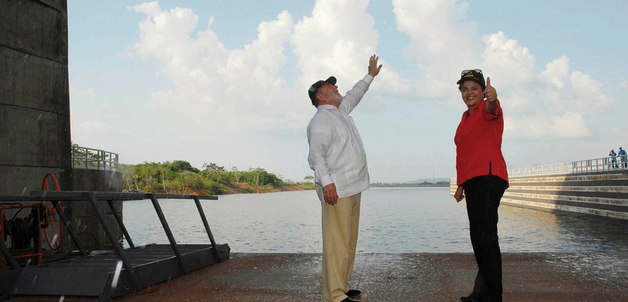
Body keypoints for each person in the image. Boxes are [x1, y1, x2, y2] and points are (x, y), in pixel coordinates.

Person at [307, 55, 382, 302]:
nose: (336, 86)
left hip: (353, 188)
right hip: (337, 191)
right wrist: (327, 182)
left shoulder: (340, 112)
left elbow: (354, 93)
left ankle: (342, 285)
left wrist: (369, 75)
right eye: (330, 86)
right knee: (336, 244)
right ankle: (334, 295)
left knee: (348, 242)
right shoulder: (321, 119)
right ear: (321, 97)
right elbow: (316, 155)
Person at [453, 69, 509, 302]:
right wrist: (461, 184)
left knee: (485, 238)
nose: (469, 93)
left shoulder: (488, 111)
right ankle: (481, 293)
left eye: (474, 88)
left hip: (488, 177)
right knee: (478, 238)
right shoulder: (464, 119)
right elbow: (465, 153)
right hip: (473, 180)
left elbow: (492, 107)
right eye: (464, 89)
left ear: (483, 92)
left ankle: (493, 297)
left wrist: (493, 98)